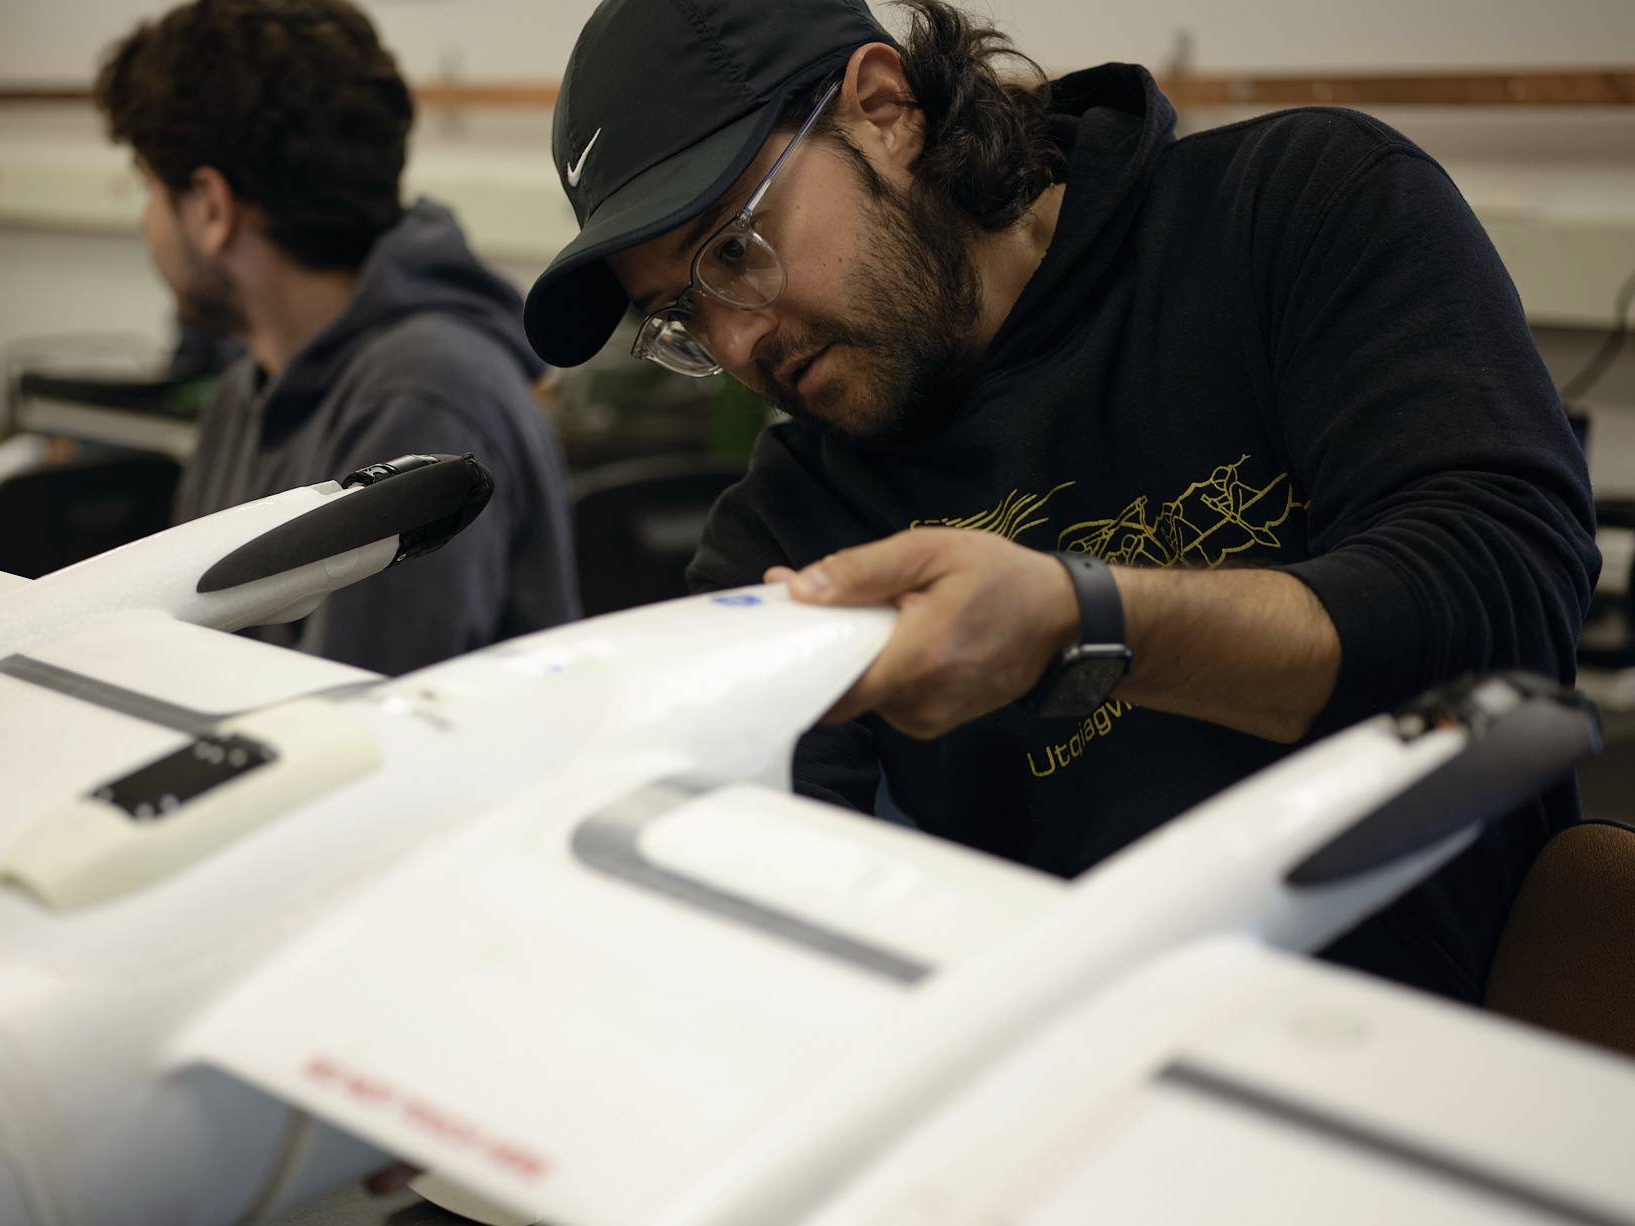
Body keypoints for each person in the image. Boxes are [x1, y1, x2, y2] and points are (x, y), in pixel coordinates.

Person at [523, 0, 1598, 1002]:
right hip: (1058, 1117)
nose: (736, 341)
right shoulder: (794, 522)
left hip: (1429, 1073)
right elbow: (720, 896)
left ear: (883, 109)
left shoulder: (1296, 212)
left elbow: (1499, 610)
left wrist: (1079, 629)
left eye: (733, 251)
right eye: (681, 316)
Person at [95, 0, 580, 675]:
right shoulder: (245, 395)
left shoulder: (422, 399)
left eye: (150, 189)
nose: (146, 222)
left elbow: (373, 737)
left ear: (210, 207)